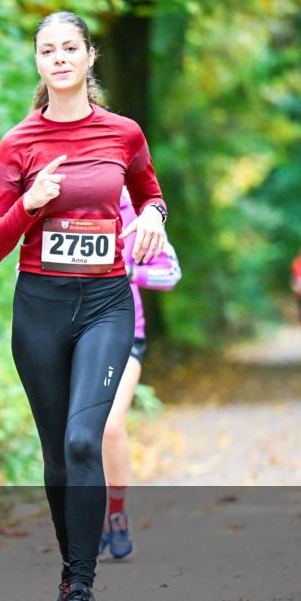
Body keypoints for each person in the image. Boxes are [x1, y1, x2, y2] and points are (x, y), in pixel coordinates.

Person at [0, 11, 168, 601]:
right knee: (58, 454)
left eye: (70, 47)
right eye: (47, 50)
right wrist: (30, 203)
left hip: (106, 304)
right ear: (38, 62)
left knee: (85, 440)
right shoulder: (19, 143)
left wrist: (153, 217)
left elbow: (149, 193)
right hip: (40, 306)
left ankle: (82, 587)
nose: (59, 58)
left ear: (90, 57)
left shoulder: (123, 132)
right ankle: (70, 573)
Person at [99, 188, 182, 560]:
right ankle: (89, 516)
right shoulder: (64, 201)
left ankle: (116, 512)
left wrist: (129, 271)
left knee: (110, 425)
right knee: (77, 434)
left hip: (125, 333)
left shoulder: (135, 211)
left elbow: (170, 273)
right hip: (70, 333)